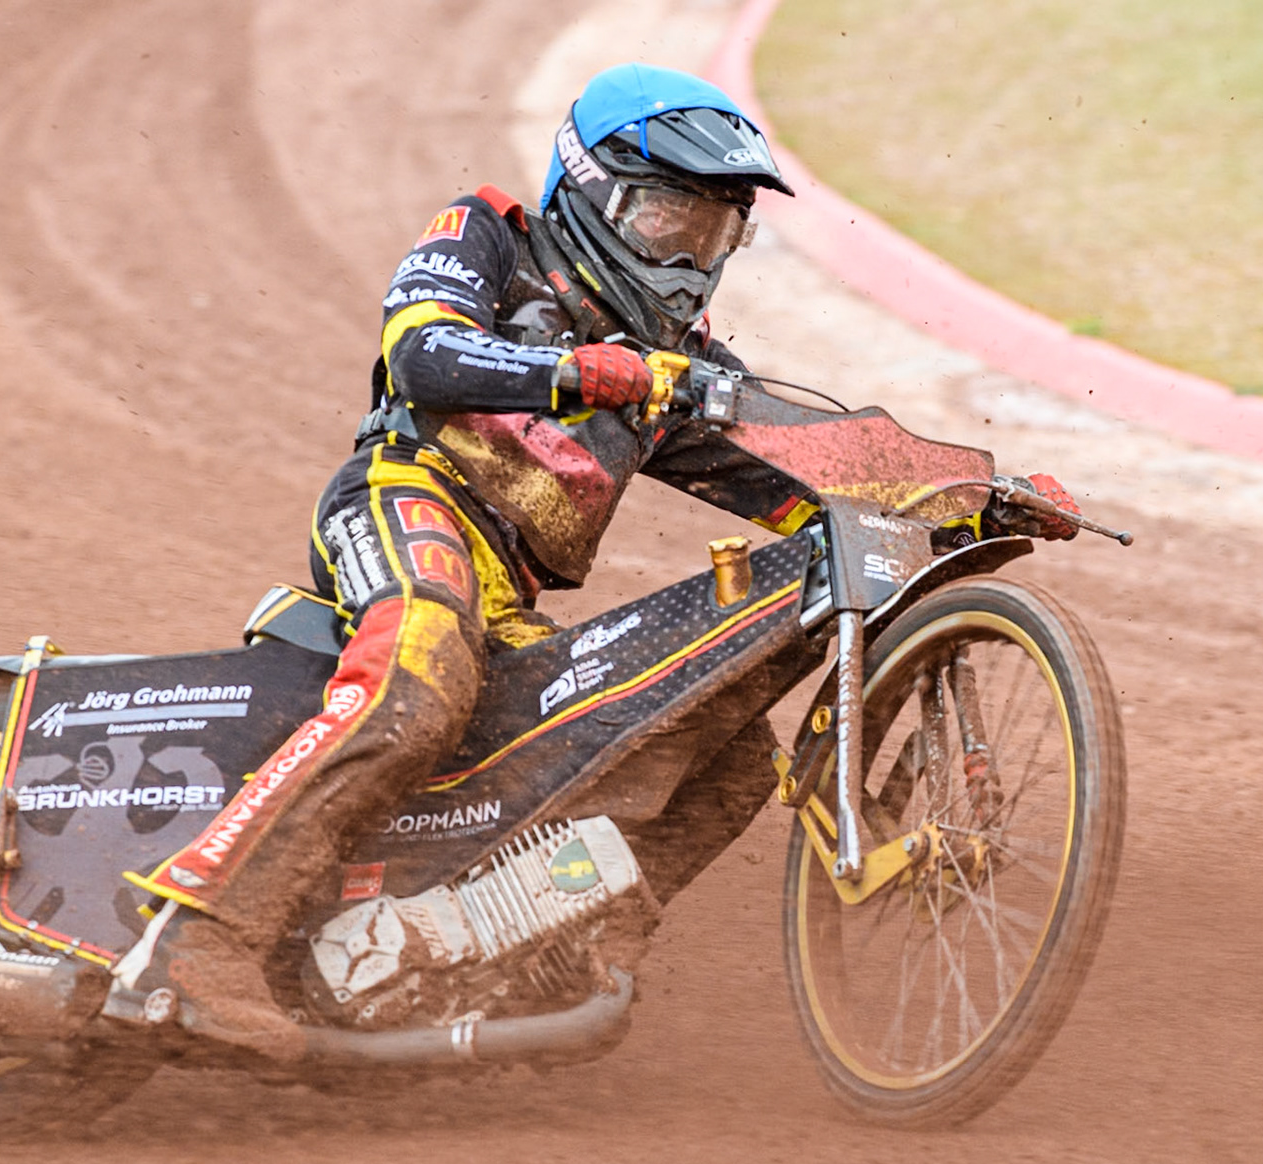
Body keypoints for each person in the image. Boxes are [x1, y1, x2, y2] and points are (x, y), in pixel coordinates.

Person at [114, 63, 1079, 1059]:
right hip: (405, 499)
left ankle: (551, 948)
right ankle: (197, 937)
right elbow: (423, 356)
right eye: (669, 220)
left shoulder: (677, 373)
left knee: (722, 749)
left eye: (714, 233)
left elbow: (815, 476)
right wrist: (577, 371)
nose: (688, 258)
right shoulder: (489, 234)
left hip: (510, 595)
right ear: (592, 191)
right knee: (419, 672)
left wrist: (973, 489)